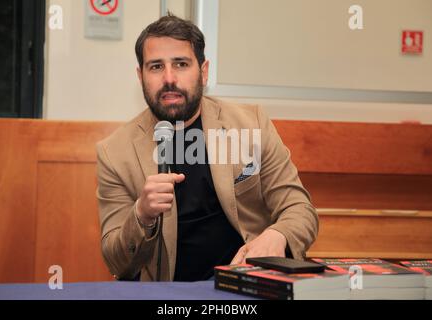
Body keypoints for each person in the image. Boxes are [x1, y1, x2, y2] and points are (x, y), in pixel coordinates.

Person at [96, 14, 318, 281]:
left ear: (203, 71)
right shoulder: (115, 153)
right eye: (156, 67)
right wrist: (141, 214)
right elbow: (116, 261)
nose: (169, 78)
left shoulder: (251, 125)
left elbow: (300, 210)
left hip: (245, 285)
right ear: (140, 76)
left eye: (181, 64)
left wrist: (276, 235)